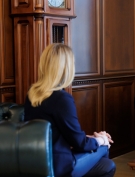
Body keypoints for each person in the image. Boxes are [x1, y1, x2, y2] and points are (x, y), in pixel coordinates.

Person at [24, 43, 116, 177]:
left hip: (36, 162)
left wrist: (91, 138)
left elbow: (58, 133)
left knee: (107, 165)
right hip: (59, 166)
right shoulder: (62, 99)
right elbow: (79, 144)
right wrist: (101, 140)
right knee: (104, 148)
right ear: (66, 68)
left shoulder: (32, 94)